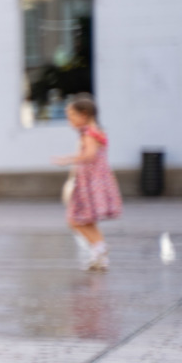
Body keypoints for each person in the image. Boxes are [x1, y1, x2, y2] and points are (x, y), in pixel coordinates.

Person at [53, 96, 122, 271]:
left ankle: (99, 247)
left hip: (89, 183)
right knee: (87, 220)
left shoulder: (89, 133)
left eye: (72, 116)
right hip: (95, 180)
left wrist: (68, 159)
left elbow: (90, 155)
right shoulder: (97, 131)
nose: (69, 121)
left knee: (74, 219)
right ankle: (99, 254)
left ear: (84, 114)